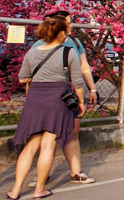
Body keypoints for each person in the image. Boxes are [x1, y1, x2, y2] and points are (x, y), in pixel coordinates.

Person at [7, 15, 85, 200]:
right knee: (48, 144)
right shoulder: (68, 53)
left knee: (31, 145)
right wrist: (80, 102)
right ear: (61, 34)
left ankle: (16, 190)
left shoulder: (32, 52)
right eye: (65, 31)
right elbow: (78, 81)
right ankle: (39, 189)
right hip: (58, 98)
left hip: (35, 98)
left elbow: (22, 78)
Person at [29, 11, 97, 187]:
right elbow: (30, 75)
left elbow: (84, 67)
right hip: (49, 97)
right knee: (47, 136)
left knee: (72, 133)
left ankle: (76, 172)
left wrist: (93, 88)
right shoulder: (39, 44)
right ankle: (42, 175)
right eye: (68, 22)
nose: (71, 25)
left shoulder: (75, 43)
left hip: (71, 96)